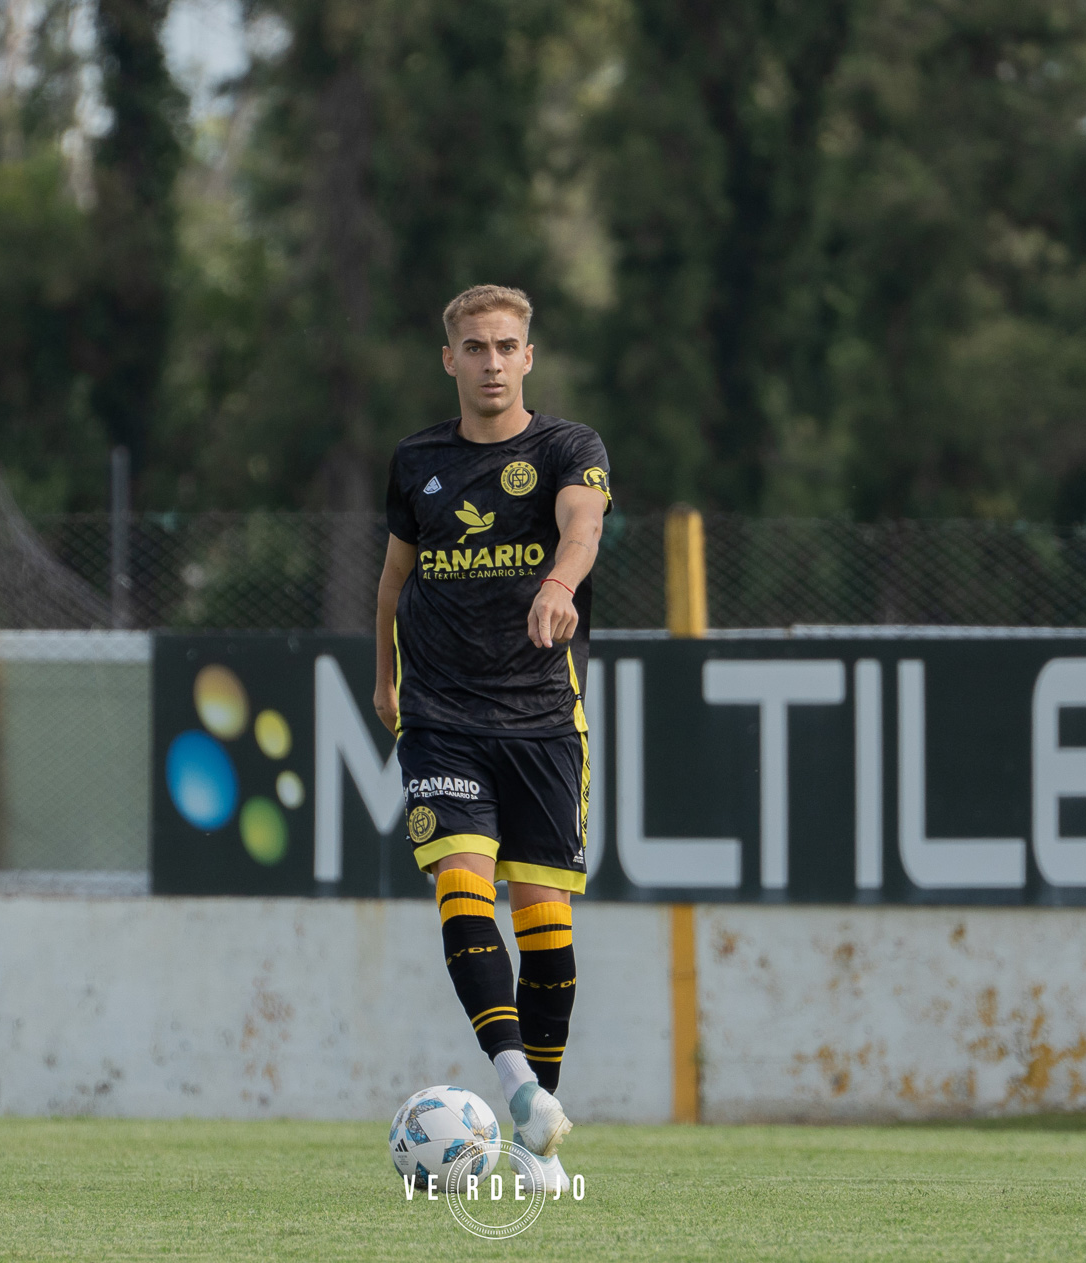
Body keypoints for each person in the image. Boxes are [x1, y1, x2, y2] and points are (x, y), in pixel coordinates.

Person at [374, 285, 611, 1192]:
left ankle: (531, 1141)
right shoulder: (417, 460)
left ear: (529, 356)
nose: (491, 361)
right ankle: (515, 1086)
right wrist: (386, 677)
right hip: (442, 717)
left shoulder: (566, 448)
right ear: (449, 359)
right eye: (474, 347)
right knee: (462, 883)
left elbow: (583, 525)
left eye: (507, 345)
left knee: (549, 939)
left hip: (544, 720)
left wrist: (559, 582)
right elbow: (394, 578)